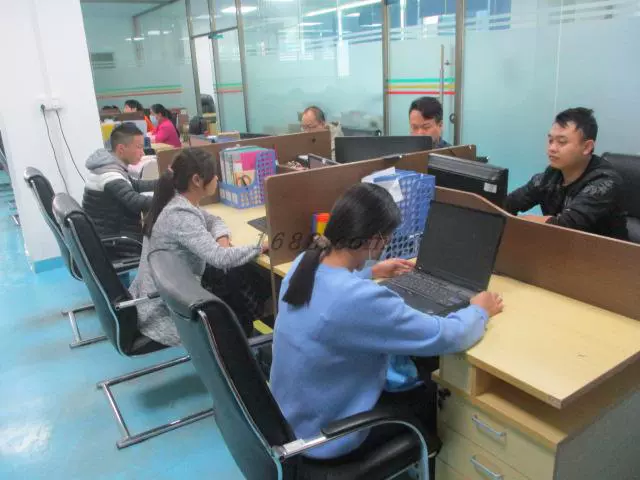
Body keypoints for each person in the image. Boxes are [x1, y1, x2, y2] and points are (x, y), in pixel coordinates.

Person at [270, 183, 503, 461]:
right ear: (374, 241)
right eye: (387, 240)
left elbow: (334, 291)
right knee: (436, 394)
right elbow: (447, 336)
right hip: (327, 438)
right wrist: (479, 310)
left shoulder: (304, 263)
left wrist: (372, 270)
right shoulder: (360, 300)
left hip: (290, 419)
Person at [129, 148, 270, 346]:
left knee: (239, 276)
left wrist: (221, 237)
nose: (217, 179)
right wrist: (260, 247)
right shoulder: (180, 214)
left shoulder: (180, 203)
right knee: (244, 276)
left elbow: (213, 220)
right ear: (196, 180)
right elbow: (220, 258)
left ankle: (247, 333)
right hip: (167, 312)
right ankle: (243, 341)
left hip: (171, 294)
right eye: (214, 175)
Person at [504, 108, 628, 240]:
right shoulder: (551, 174)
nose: (551, 148)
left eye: (562, 142)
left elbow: (566, 226)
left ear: (587, 147)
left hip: (604, 251)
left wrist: (521, 221)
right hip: (561, 246)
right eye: (550, 140)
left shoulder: (606, 181)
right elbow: (509, 203)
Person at [83, 123, 156, 256]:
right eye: (139, 147)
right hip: (117, 243)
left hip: (111, 235)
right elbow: (135, 202)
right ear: (121, 149)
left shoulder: (108, 166)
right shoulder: (109, 175)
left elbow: (135, 185)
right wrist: (167, 197)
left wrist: (164, 183)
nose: (143, 152)